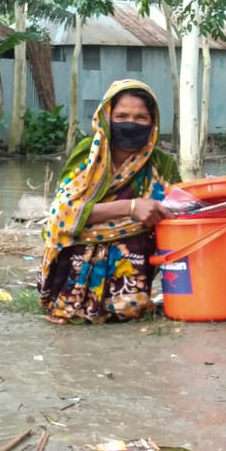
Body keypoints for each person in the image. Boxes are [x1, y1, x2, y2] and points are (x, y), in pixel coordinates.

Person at [38, 79, 181, 323]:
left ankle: (126, 301)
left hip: (133, 258)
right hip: (80, 251)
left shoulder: (161, 164)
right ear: (107, 118)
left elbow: (180, 212)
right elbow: (62, 216)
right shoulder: (89, 154)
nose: (131, 123)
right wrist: (131, 208)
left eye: (141, 118)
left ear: (153, 123)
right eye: (122, 115)